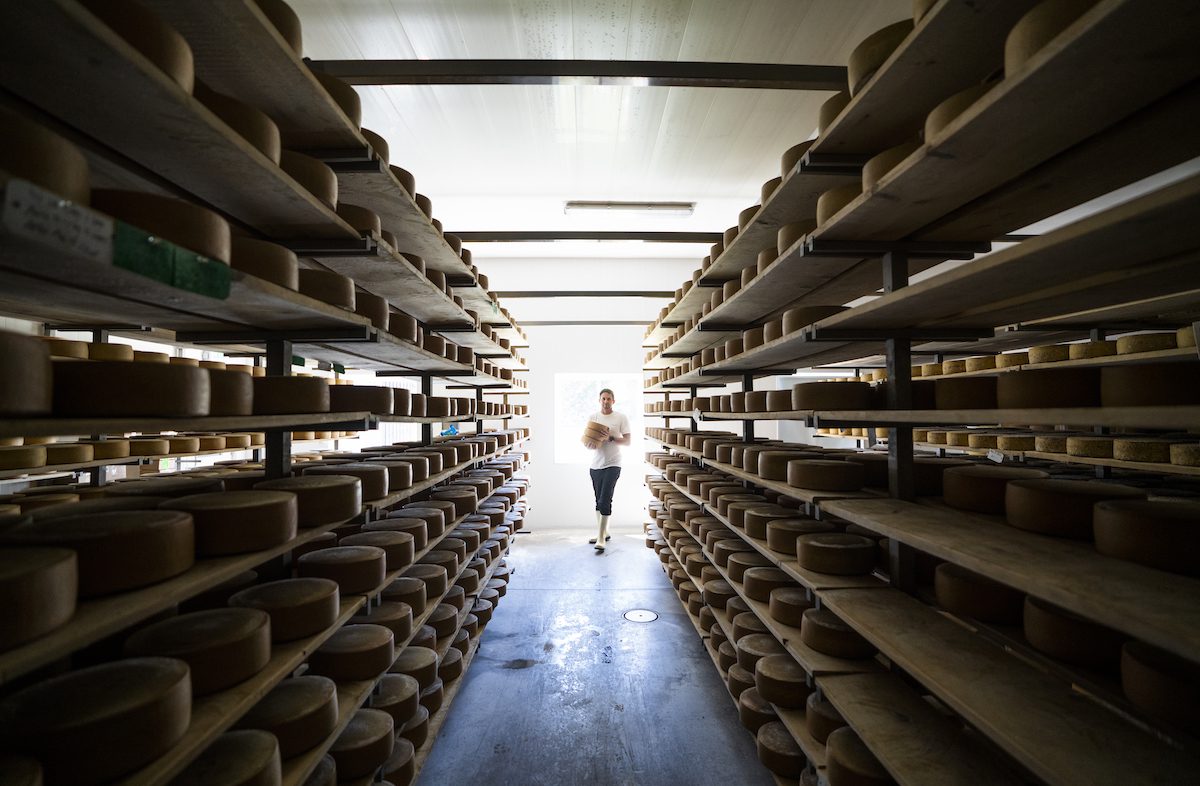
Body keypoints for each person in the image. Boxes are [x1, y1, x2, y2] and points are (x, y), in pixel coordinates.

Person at [586, 387, 630, 553]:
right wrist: (590, 443)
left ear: (613, 400)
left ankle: (601, 538)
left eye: (608, 399)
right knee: (598, 501)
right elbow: (589, 442)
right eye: (603, 398)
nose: (606, 401)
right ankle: (604, 531)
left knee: (605, 500)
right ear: (599, 400)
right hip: (595, 465)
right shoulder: (593, 417)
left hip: (613, 463)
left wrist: (611, 438)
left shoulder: (620, 417)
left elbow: (627, 441)